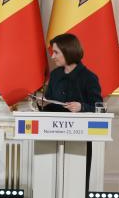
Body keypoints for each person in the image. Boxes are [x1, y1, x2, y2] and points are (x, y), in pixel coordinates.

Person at [38, 33, 102, 192]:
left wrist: (82, 107)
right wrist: (41, 105)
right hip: (52, 136)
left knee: (77, 184)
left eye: (56, 52)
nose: (52, 56)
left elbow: (99, 107)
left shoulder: (89, 77)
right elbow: (51, 104)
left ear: (68, 51)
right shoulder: (55, 75)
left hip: (79, 137)